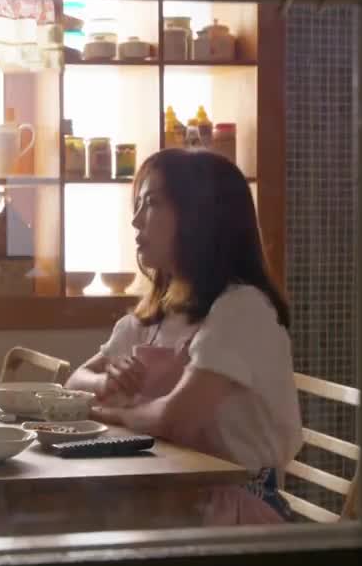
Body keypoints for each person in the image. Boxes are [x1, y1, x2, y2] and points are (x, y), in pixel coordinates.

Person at [65, 149, 302, 524]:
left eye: (152, 204)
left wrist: (108, 411)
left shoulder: (242, 308)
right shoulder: (153, 316)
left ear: (199, 217)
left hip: (231, 509)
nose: (135, 220)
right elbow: (73, 383)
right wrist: (104, 381)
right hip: (166, 493)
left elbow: (175, 420)